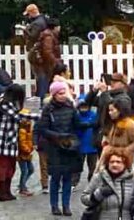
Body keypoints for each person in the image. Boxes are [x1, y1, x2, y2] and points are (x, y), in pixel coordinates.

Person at [38, 80, 82, 216]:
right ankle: (54, 205)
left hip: (69, 147)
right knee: (56, 178)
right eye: (60, 93)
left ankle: (66, 205)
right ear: (54, 94)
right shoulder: (48, 109)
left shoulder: (71, 107)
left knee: (68, 178)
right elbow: (43, 128)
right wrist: (58, 136)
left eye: (64, 93)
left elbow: (77, 124)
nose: (63, 95)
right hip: (54, 148)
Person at [0, 83, 25, 202]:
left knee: (9, 167)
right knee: (2, 167)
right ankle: (2, 192)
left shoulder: (5, 99)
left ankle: (6, 191)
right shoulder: (5, 103)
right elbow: (18, 118)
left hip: (8, 140)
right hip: (2, 141)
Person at [81, 149, 134, 220]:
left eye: (118, 162)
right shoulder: (98, 177)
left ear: (125, 164)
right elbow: (84, 198)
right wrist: (98, 194)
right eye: (112, 162)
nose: (114, 164)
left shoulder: (133, 180)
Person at [102, 95, 134, 163]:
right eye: (109, 110)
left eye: (112, 110)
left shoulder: (129, 124)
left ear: (119, 110)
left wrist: (124, 151)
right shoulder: (115, 123)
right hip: (112, 160)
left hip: (124, 162)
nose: (109, 113)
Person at [24, 3, 51, 98]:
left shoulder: (36, 23)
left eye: (28, 14)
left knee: (40, 74)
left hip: (37, 51)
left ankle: (41, 96)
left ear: (32, 12)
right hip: (43, 50)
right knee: (43, 74)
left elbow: (33, 36)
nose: (28, 16)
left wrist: (25, 29)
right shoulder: (43, 20)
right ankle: (42, 95)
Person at [76, 96, 99, 183]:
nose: (83, 108)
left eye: (85, 106)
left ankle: (92, 181)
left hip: (92, 145)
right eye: (82, 106)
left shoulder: (94, 115)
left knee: (92, 167)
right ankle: (74, 182)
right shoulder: (76, 116)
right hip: (79, 145)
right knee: (77, 166)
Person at [17, 108, 35, 197]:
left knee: (30, 170)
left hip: (27, 153)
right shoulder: (22, 130)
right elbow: (22, 143)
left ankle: (22, 185)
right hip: (22, 154)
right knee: (25, 170)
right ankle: (22, 188)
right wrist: (28, 149)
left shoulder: (28, 127)